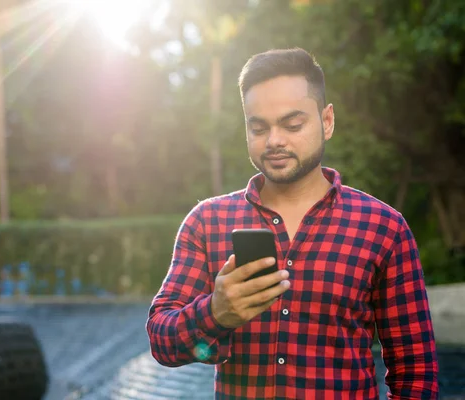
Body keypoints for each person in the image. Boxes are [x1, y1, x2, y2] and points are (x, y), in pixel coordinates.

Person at [146, 47, 438, 399]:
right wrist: (215, 312)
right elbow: (161, 340)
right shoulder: (207, 223)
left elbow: (416, 372)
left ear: (327, 121)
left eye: (292, 124)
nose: (274, 141)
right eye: (258, 128)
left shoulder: (383, 227)